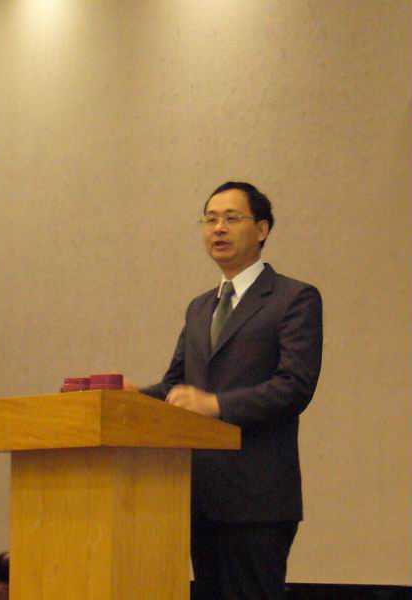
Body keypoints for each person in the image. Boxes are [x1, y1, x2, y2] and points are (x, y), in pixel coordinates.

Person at [130, 182, 323, 600]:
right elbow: (176, 386)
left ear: (262, 229)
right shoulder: (200, 308)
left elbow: (294, 386)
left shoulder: (294, 298)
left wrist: (216, 404)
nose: (218, 228)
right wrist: (130, 398)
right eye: (210, 219)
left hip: (257, 498)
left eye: (232, 218)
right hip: (200, 496)